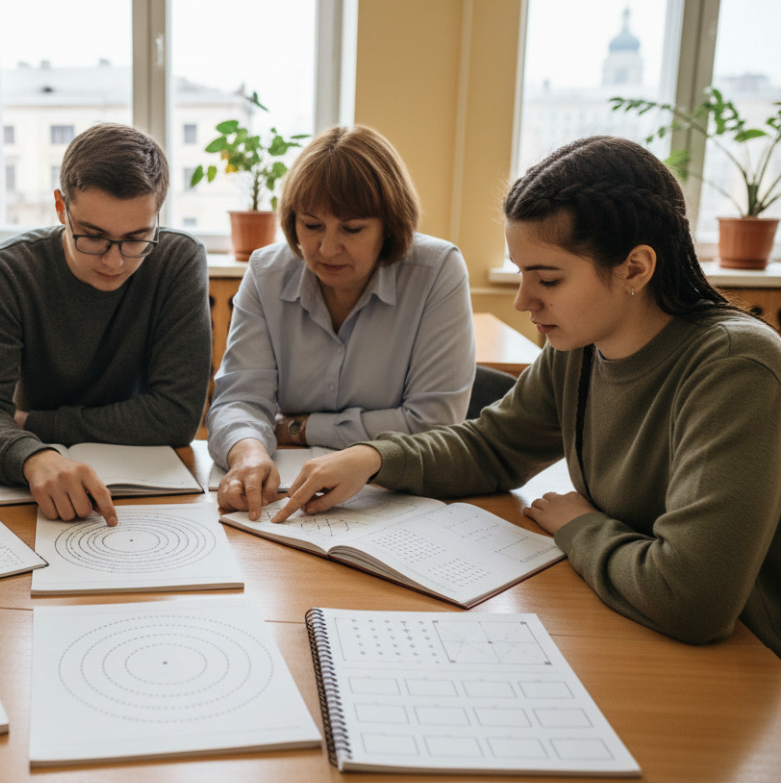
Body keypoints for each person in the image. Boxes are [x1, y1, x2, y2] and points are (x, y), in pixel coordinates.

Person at [274, 135, 781, 658]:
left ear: (635, 268)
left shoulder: (734, 369)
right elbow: (493, 447)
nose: (522, 300)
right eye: (520, 273)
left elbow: (692, 599)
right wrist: (373, 457)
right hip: (624, 624)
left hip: (747, 659)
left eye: (548, 278)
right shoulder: (582, 345)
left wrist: (579, 526)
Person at [0, 122, 212, 527]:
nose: (114, 261)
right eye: (92, 236)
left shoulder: (179, 260)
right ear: (60, 207)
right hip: (36, 490)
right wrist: (33, 455)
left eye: (137, 238)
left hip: (143, 493)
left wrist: (33, 424)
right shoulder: (8, 270)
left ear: (158, 215)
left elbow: (176, 417)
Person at [206, 124, 475, 520]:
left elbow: (434, 425)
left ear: (389, 225)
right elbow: (239, 398)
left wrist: (301, 429)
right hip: (290, 500)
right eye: (312, 225)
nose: (327, 249)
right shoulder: (266, 272)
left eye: (352, 228)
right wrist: (247, 452)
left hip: (394, 499)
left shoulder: (437, 271)